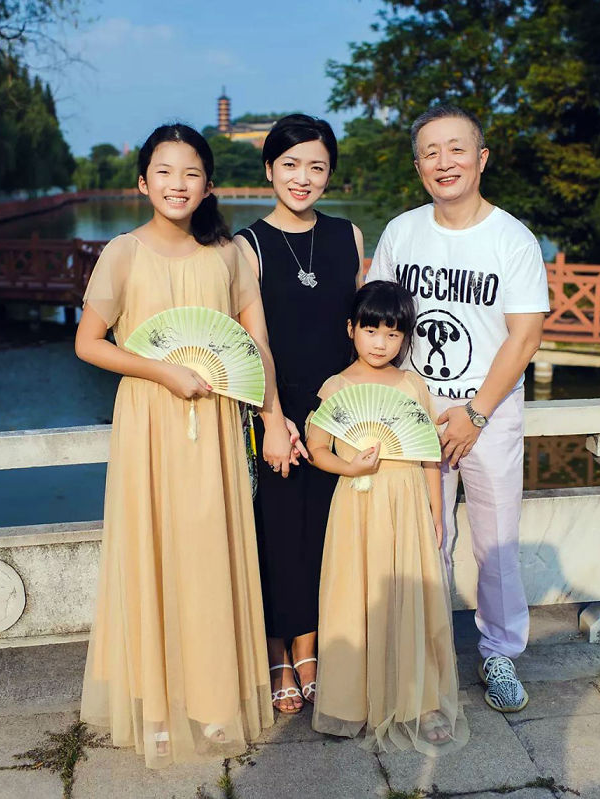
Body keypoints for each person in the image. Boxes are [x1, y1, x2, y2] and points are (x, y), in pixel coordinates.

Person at [75, 123, 294, 766]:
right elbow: (90, 342)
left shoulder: (229, 254)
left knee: (211, 554)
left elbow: (256, 346)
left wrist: (273, 415)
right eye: (164, 172)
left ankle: (215, 702)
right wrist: (162, 371)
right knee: (155, 552)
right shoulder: (122, 251)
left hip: (219, 423)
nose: (178, 184)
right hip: (149, 422)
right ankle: (158, 707)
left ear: (208, 184)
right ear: (143, 182)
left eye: (191, 172)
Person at [367, 105, 549, 713]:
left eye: (456, 149)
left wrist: (475, 412)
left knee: (494, 541)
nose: (443, 163)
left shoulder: (511, 239)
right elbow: (381, 320)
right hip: (416, 406)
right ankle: (429, 647)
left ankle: (498, 652)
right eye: (430, 152)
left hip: (487, 410)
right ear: (418, 163)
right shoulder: (402, 231)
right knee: (424, 536)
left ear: (481, 158)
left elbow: (524, 337)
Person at [234, 114, 365, 715]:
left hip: (336, 412)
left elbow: (361, 332)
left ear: (329, 172)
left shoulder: (348, 237)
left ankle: (310, 641)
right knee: (275, 531)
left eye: (316, 166)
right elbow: (251, 341)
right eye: (290, 164)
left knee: (323, 531)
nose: (303, 177)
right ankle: (274, 648)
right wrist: (273, 420)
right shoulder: (247, 245)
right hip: (276, 414)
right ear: (269, 169)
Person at [307, 280, 469, 754]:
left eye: (394, 334)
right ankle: (351, 699)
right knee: (354, 597)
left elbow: (428, 458)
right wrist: (348, 465)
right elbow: (317, 448)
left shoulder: (412, 384)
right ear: (351, 329)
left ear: (406, 338)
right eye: (372, 330)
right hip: (356, 502)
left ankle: (418, 701)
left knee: (409, 598)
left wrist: (437, 515)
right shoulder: (336, 387)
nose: (382, 342)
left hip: (406, 505)